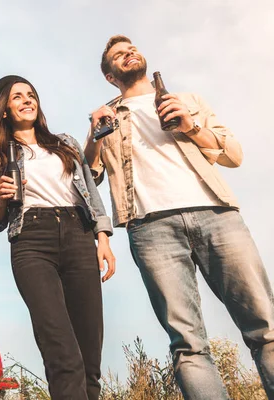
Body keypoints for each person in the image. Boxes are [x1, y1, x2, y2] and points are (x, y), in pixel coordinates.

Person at [84, 35, 274, 399]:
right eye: (118, 56)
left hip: (217, 214)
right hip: (151, 228)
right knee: (187, 344)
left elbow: (233, 155)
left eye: (131, 49)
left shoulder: (187, 101)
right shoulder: (106, 116)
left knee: (264, 325)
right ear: (110, 76)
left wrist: (191, 125)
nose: (128, 54)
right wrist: (94, 136)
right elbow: (87, 178)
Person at [0, 75, 116, 400]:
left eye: (31, 95)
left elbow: (89, 189)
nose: (27, 100)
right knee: (62, 353)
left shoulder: (65, 143)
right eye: (17, 97)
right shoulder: (0, 155)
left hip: (79, 235)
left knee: (89, 356)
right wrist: (2, 200)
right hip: (32, 242)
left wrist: (104, 237)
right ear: (4, 111)